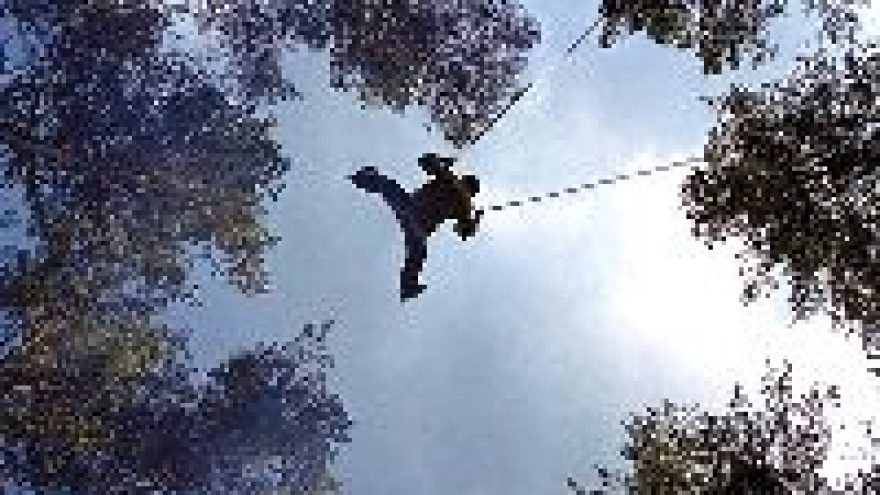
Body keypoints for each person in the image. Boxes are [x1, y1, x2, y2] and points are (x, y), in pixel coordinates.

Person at [349, 153, 482, 301]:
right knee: (417, 252)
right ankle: (408, 286)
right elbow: (464, 232)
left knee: (392, 190)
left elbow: (425, 161)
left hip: (412, 211)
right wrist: (475, 219)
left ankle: (365, 178)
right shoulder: (463, 202)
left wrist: (442, 163)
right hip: (418, 223)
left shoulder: (452, 183)